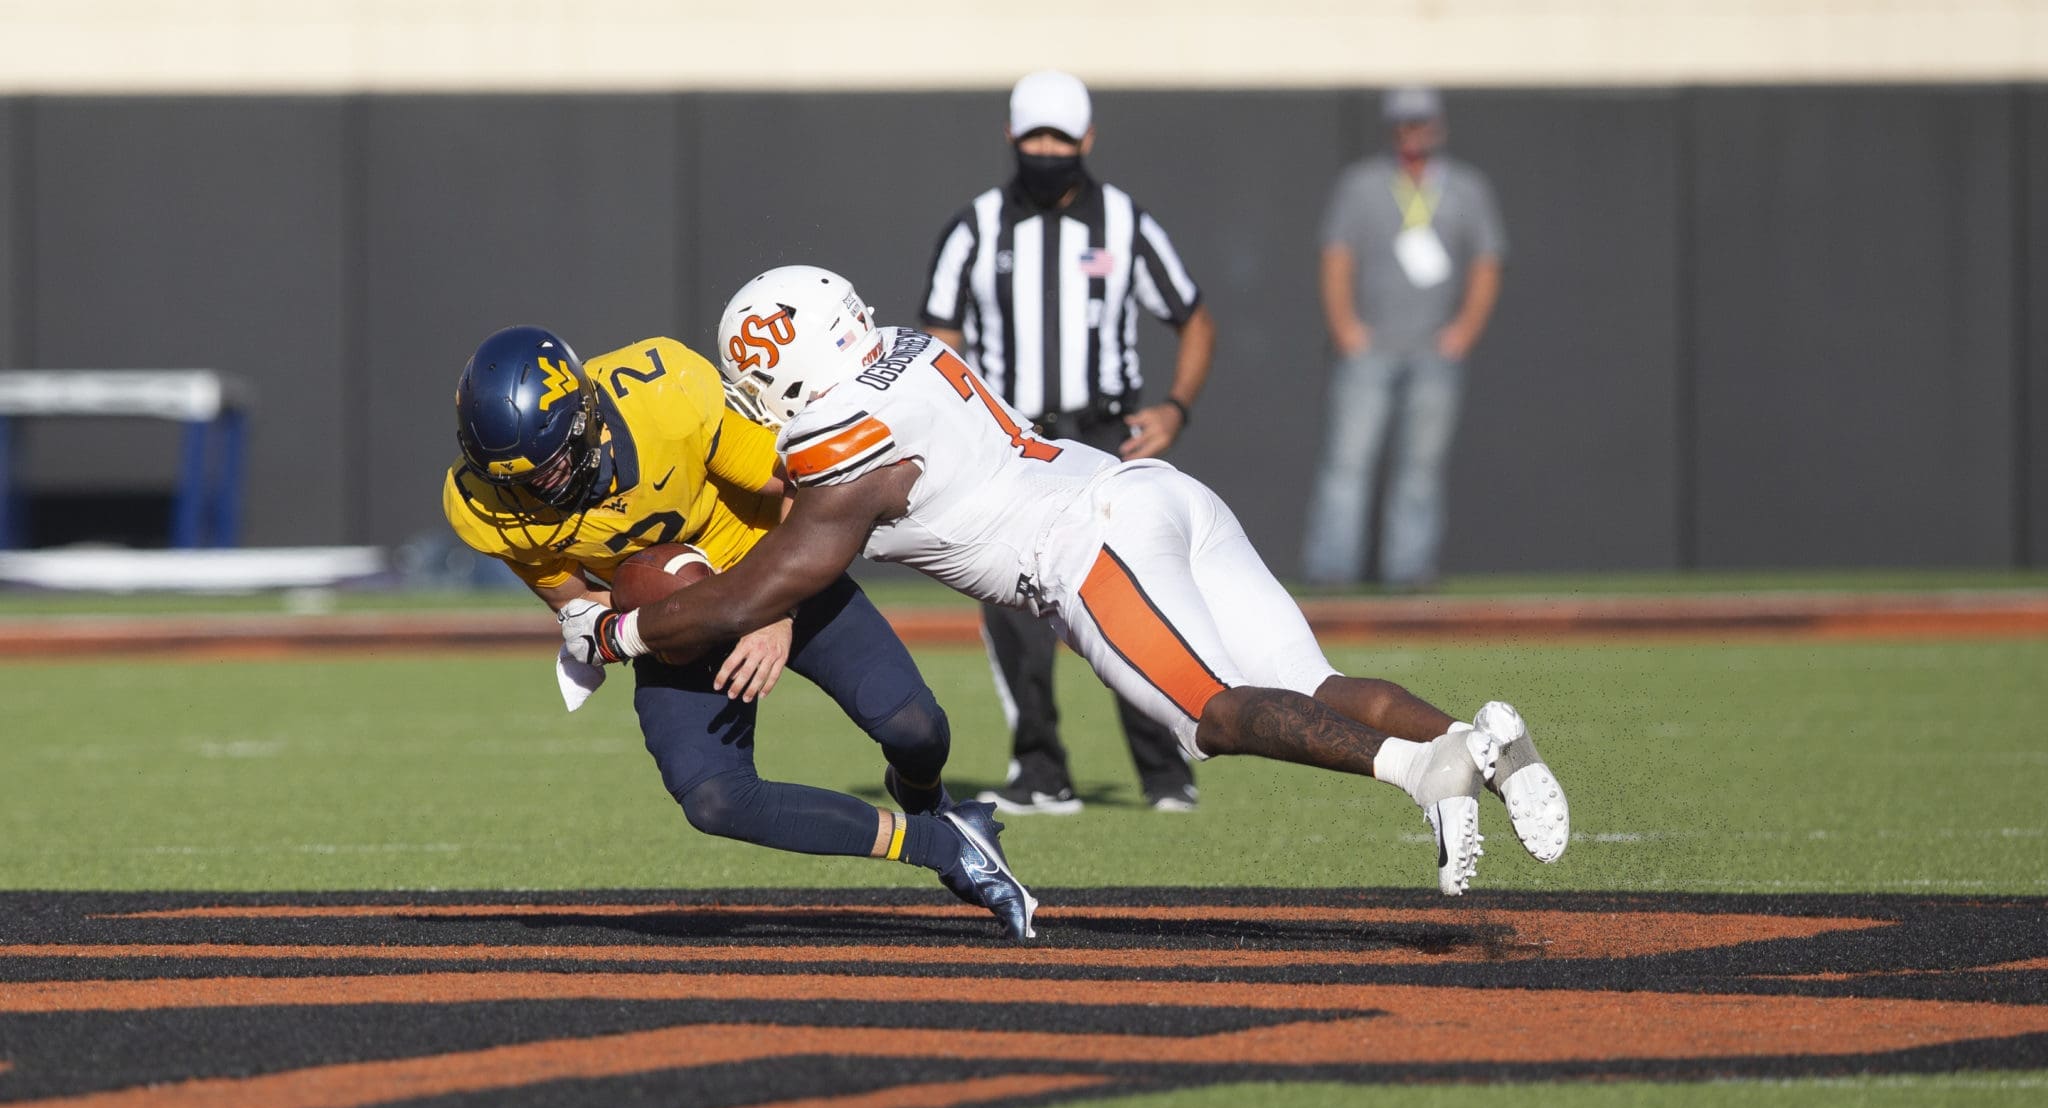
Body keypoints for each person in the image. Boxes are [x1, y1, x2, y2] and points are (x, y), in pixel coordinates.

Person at [560, 268, 1571, 897]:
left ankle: (1419, 773)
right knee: (1308, 687)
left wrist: (614, 636)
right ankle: (1480, 747)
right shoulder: (911, 352)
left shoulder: (840, 443)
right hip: (1148, 493)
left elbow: (744, 598)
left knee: (1209, 718)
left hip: (1087, 549)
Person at [444, 324, 1037, 939]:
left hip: (775, 568)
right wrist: (598, 627)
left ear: (586, 418)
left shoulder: (666, 396)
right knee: (714, 799)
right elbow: (574, 600)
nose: (535, 488)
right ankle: (945, 845)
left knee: (916, 730)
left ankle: (925, 796)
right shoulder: (483, 505)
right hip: (681, 625)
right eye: (512, 478)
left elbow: (806, 486)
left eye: (552, 464)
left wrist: (773, 611)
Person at [919, 69, 1215, 816]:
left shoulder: (1124, 223)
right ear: (1013, 139)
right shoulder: (975, 227)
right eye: (1035, 137)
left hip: (1104, 432)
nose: (1047, 150)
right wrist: (962, 430)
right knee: (1011, 603)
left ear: (1087, 139)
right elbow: (938, 339)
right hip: (1012, 441)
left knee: (1132, 596)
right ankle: (1040, 771)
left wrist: (1175, 408)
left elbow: (1193, 317)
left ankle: (1165, 773)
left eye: (1060, 136)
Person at [1300, 86, 1506, 589]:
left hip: (1434, 348)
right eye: (1403, 124)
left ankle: (1409, 571)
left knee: (1421, 469)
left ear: (1438, 126)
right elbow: (1336, 256)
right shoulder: (1364, 185)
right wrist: (1344, 325)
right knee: (1348, 462)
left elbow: (1487, 261)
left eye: (1421, 123)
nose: (1412, 133)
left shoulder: (1465, 188)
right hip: (1371, 348)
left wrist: (1465, 330)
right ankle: (1333, 569)